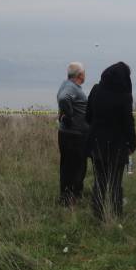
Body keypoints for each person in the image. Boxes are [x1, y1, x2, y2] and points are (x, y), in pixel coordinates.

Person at [86, 62, 136, 221]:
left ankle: (98, 214)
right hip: (118, 146)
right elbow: (128, 122)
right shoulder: (125, 96)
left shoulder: (95, 90)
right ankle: (115, 214)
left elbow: (88, 116)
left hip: (97, 144)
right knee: (115, 182)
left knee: (100, 181)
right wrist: (132, 143)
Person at [56, 62, 89, 207]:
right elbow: (64, 98)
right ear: (80, 75)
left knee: (68, 166)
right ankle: (72, 197)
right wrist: (68, 115)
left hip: (68, 133)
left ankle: (67, 195)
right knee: (76, 166)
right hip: (74, 135)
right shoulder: (70, 88)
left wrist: (65, 114)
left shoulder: (66, 85)